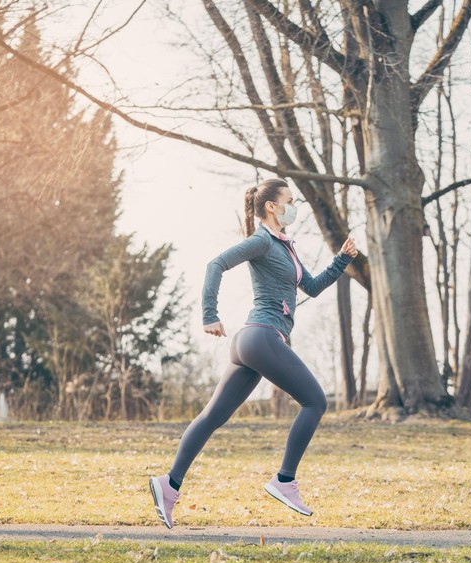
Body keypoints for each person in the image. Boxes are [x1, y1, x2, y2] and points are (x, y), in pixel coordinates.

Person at [148, 178, 358, 528]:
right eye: (290, 200)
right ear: (272, 207)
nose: (295, 206)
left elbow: (312, 287)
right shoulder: (261, 240)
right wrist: (210, 315)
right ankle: (285, 480)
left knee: (213, 417)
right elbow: (215, 264)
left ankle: (168, 485)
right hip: (261, 337)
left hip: (251, 342)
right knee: (316, 402)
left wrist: (341, 260)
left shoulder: (284, 246)